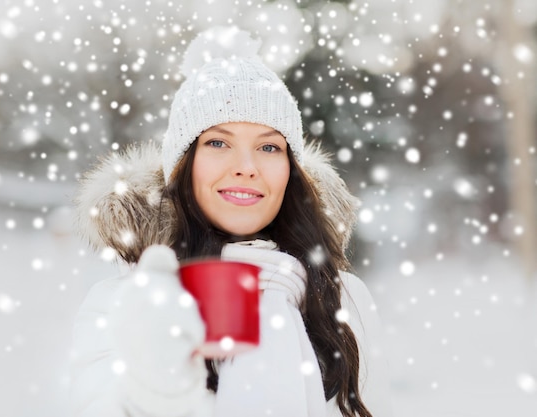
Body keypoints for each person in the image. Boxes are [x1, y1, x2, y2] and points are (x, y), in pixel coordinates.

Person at [70, 27, 393, 417]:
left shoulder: (342, 301)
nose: (246, 168)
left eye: (269, 147)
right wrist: (159, 386)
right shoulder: (126, 301)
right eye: (218, 143)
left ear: (290, 172)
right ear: (183, 167)